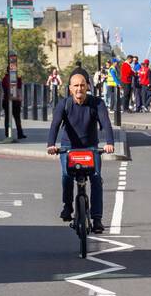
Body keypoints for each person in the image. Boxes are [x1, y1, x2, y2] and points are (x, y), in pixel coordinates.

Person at [47, 68, 116, 233]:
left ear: (88, 87)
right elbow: (55, 124)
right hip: (68, 148)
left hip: (90, 147)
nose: (79, 89)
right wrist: (51, 144)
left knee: (97, 178)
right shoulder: (64, 104)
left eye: (82, 85)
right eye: (76, 86)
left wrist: (109, 143)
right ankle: (68, 206)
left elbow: (106, 123)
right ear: (70, 88)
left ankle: (97, 218)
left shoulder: (97, 103)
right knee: (66, 176)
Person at [0, 66, 25, 139]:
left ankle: (8, 134)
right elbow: (17, 89)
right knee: (16, 118)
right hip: (12, 101)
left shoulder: (5, 79)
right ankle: (18, 134)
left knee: (9, 118)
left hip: (8, 100)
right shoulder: (13, 79)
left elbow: (7, 89)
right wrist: (19, 97)